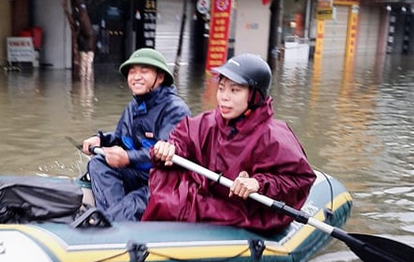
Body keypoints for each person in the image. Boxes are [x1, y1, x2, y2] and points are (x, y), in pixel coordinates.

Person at [142, 53, 316, 233]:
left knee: (176, 204)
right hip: (208, 198)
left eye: (234, 90)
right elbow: (181, 140)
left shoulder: (274, 136)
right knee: (168, 197)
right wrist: (169, 148)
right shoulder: (206, 122)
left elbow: (301, 179)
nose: (224, 97)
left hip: (244, 209)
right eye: (221, 88)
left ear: (255, 96)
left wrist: (258, 183)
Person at [82, 48, 191, 221]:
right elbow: (121, 138)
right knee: (98, 163)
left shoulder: (175, 109)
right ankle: (114, 218)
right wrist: (101, 139)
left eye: (144, 71)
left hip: (163, 181)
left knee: (131, 204)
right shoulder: (132, 107)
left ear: (160, 77)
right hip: (138, 175)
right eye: (132, 72)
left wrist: (128, 158)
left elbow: (168, 155)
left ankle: (115, 219)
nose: (136, 76)